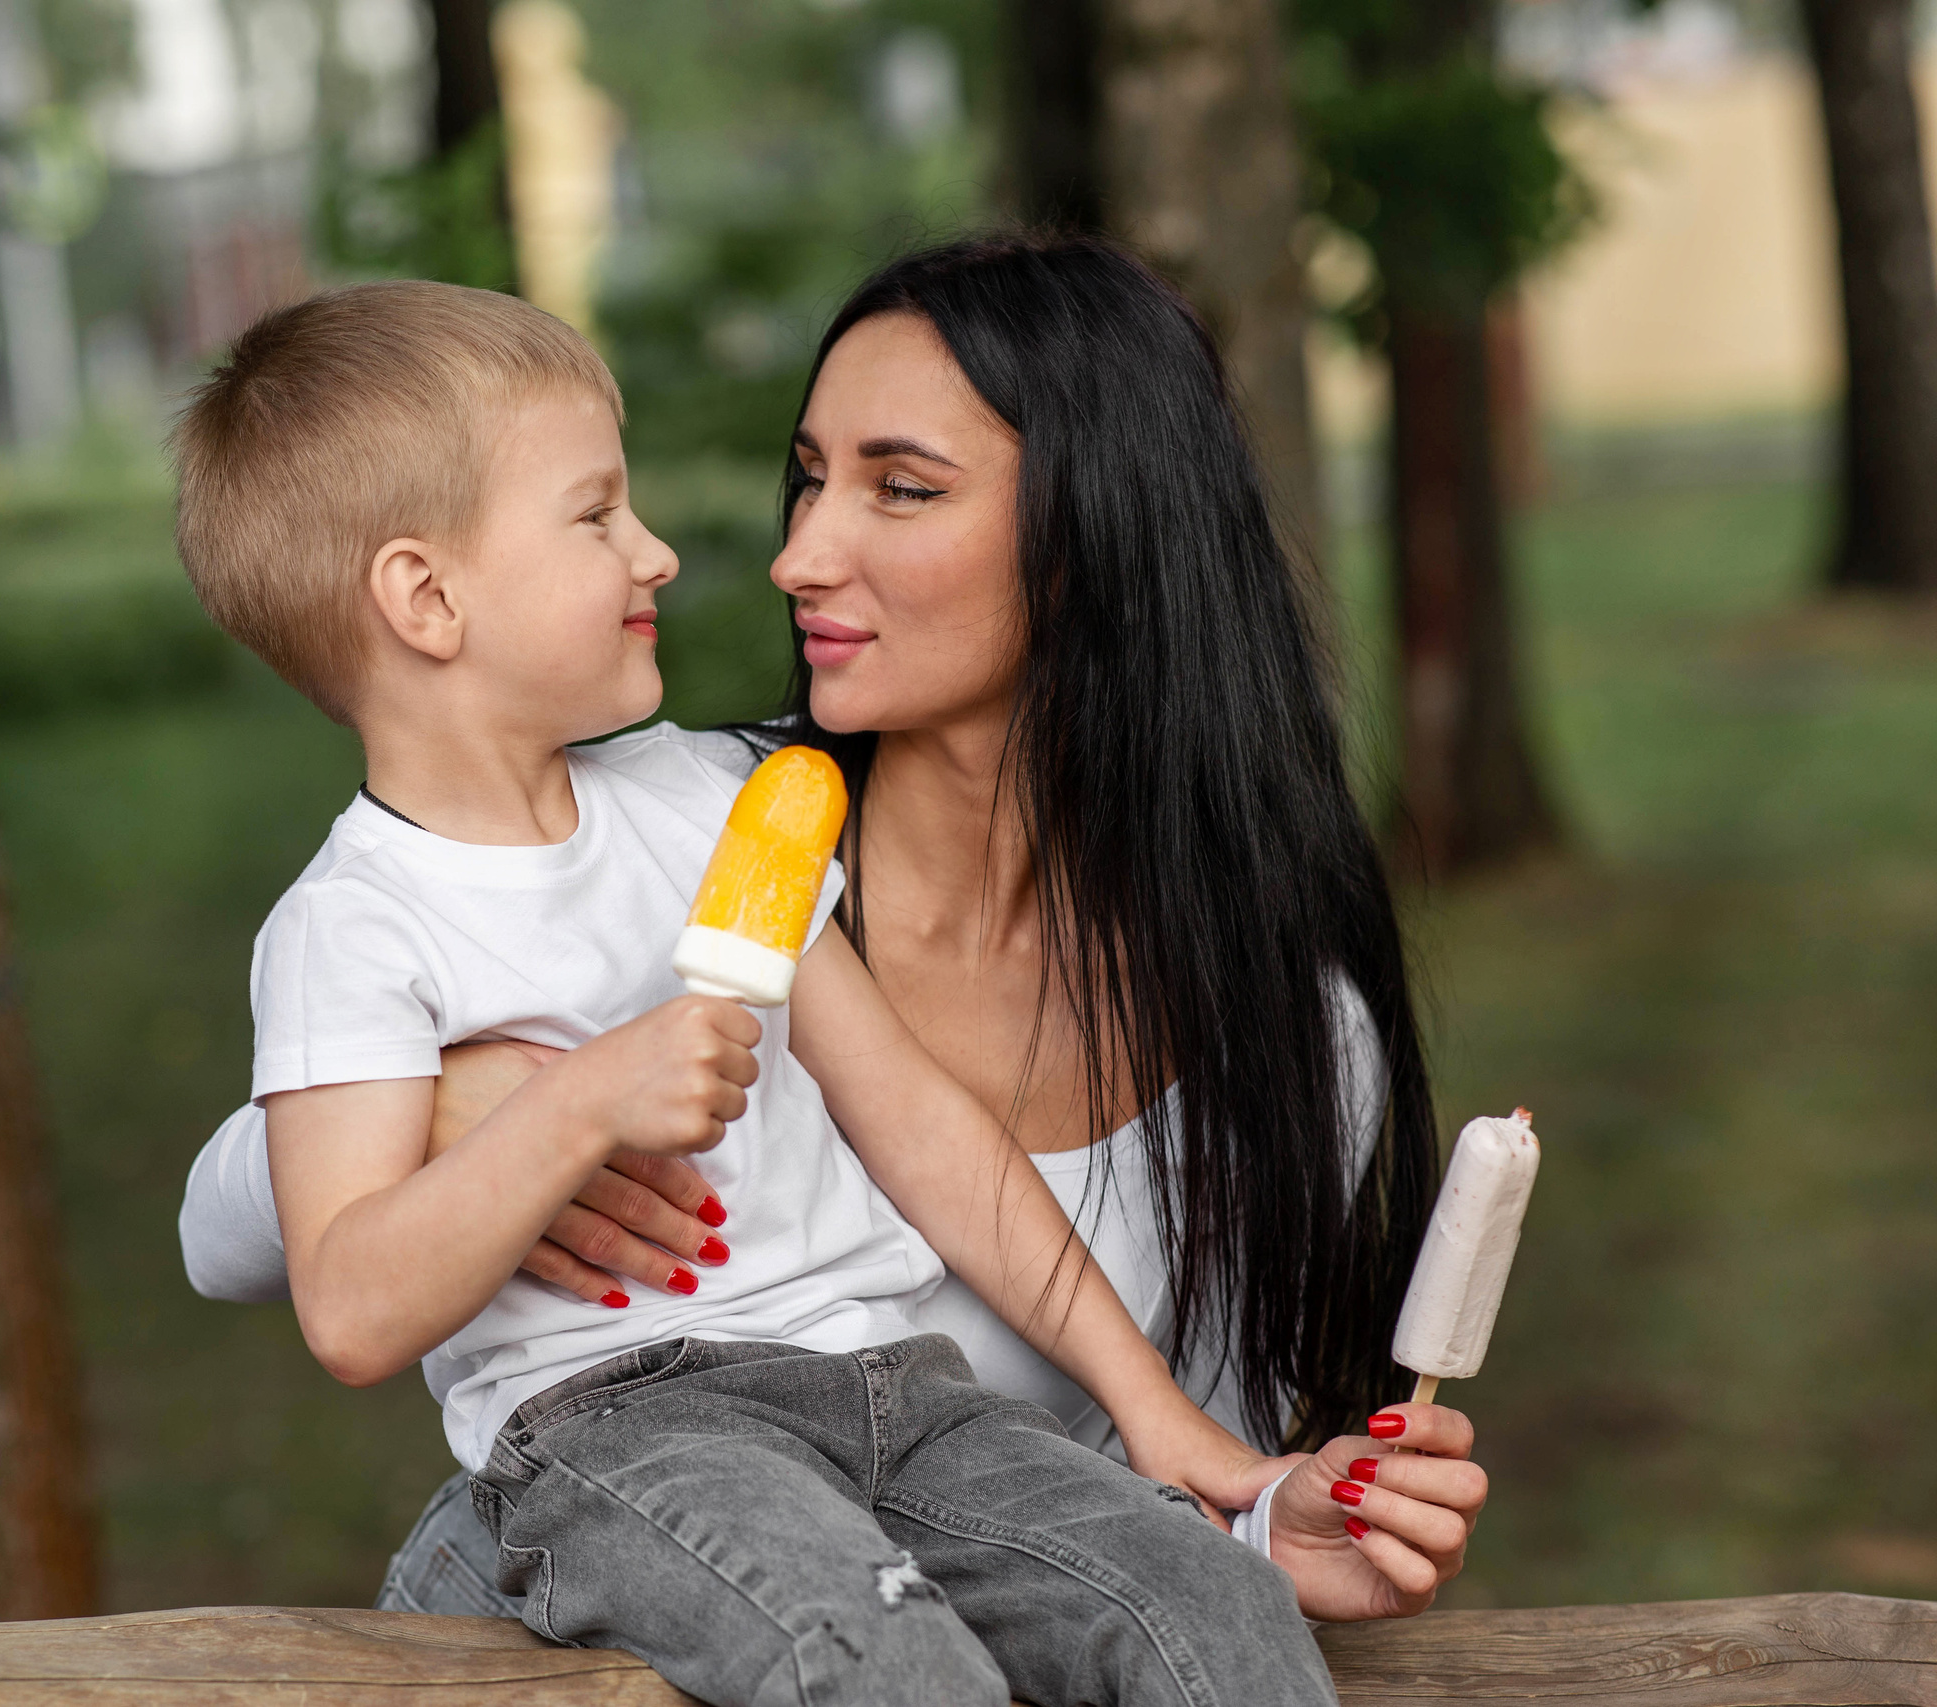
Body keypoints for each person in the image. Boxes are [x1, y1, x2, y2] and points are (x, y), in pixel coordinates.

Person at [183, 233, 1491, 1627]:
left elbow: (1167, 1473)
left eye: (902, 489)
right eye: (808, 477)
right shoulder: (707, 825)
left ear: (1102, 533)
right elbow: (229, 1233)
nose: (796, 556)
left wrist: (1263, 1514)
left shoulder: (1284, 1033)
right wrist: (485, 1101)